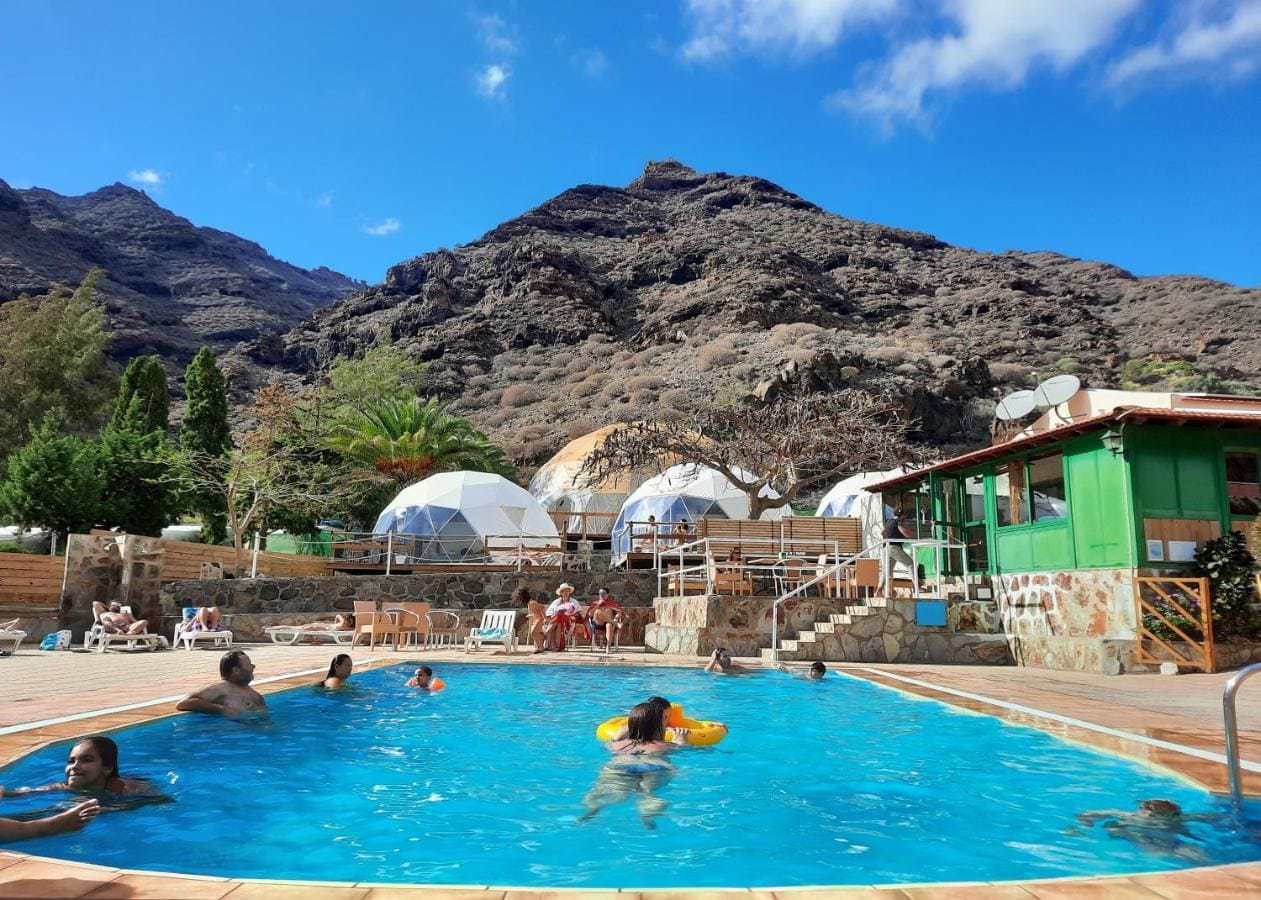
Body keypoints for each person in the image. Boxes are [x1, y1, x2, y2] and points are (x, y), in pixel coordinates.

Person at [581, 701, 687, 829]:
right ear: (659, 726)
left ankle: (593, 809)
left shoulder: (617, 744)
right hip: (654, 767)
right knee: (647, 791)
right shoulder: (664, 746)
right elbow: (682, 750)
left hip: (620, 766)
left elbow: (607, 746)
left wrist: (616, 738)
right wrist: (681, 741)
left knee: (605, 789)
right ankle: (647, 814)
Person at [1075, 799, 1217, 860]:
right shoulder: (1129, 816)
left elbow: (1209, 816)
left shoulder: (1178, 818)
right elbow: (1088, 814)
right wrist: (1087, 823)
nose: (1147, 813)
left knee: (1197, 854)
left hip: (1167, 841)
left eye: (1156, 811)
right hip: (1138, 836)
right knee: (1117, 829)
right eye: (1144, 809)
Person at [176, 649, 267, 716]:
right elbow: (183, 703)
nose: (253, 666)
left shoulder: (255, 695)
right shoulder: (222, 688)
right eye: (249, 664)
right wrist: (221, 709)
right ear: (236, 670)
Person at [0, 791, 98, 841]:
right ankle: (48, 827)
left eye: (87, 760)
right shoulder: (60, 786)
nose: (75, 766)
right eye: (71, 762)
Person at [544, 583, 581, 652]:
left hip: (568, 621)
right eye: (564, 591)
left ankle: (547, 632)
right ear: (561, 593)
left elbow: (577, 613)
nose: (566, 593)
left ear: (569, 592)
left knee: (559, 616)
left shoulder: (574, 601)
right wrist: (553, 615)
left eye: (567, 591)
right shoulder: (556, 602)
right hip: (557, 621)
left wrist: (568, 614)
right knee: (559, 623)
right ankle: (557, 647)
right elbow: (549, 611)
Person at [588, 588, 626, 653]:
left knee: (609, 625)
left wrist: (616, 618)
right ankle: (616, 624)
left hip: (608, 622)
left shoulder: (612, 603)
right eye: (600, 593)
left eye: (604, 593)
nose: (602, 595)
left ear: (607, 595)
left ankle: (608, 647)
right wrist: (598, 605)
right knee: (597, 611)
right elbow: (590, 614)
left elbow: (619, 613)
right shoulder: (595, 603)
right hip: (598, 623)